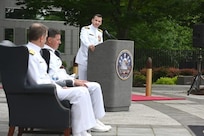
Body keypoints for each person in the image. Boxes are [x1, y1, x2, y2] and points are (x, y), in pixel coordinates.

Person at [26, 23, 104, 136]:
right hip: (46, 90)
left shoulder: (34, 52)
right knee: (81, 92)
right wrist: (59, 85)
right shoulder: (31, 54)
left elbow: (44, 77)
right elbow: (37, 80)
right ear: (42, 38)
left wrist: (61, 85)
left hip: (50, 87)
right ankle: (80, 132)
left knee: (82, 91)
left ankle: (84, 129)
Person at [43, 28, 111, 132]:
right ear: (49, 40)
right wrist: (72, 82)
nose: (60, 42)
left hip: (66, 80)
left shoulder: (54, 53)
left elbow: (60, 72)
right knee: (89, 88)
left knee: (95, 86)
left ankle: (95, 119)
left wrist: (72, 77)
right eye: (57, 40)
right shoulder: (45, 54)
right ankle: (89, 123)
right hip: (60, 84)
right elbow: (51, 76)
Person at [75, 14, 103, 80]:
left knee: (92, 79)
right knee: (82, 79)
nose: (97, 22)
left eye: (99, 21)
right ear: (92, 20)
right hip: (84, 57)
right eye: (96, 20)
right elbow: (83, 38)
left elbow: (101, 44)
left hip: (94, 59)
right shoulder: (85, 29)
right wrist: (89, 45)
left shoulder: (100, 32)